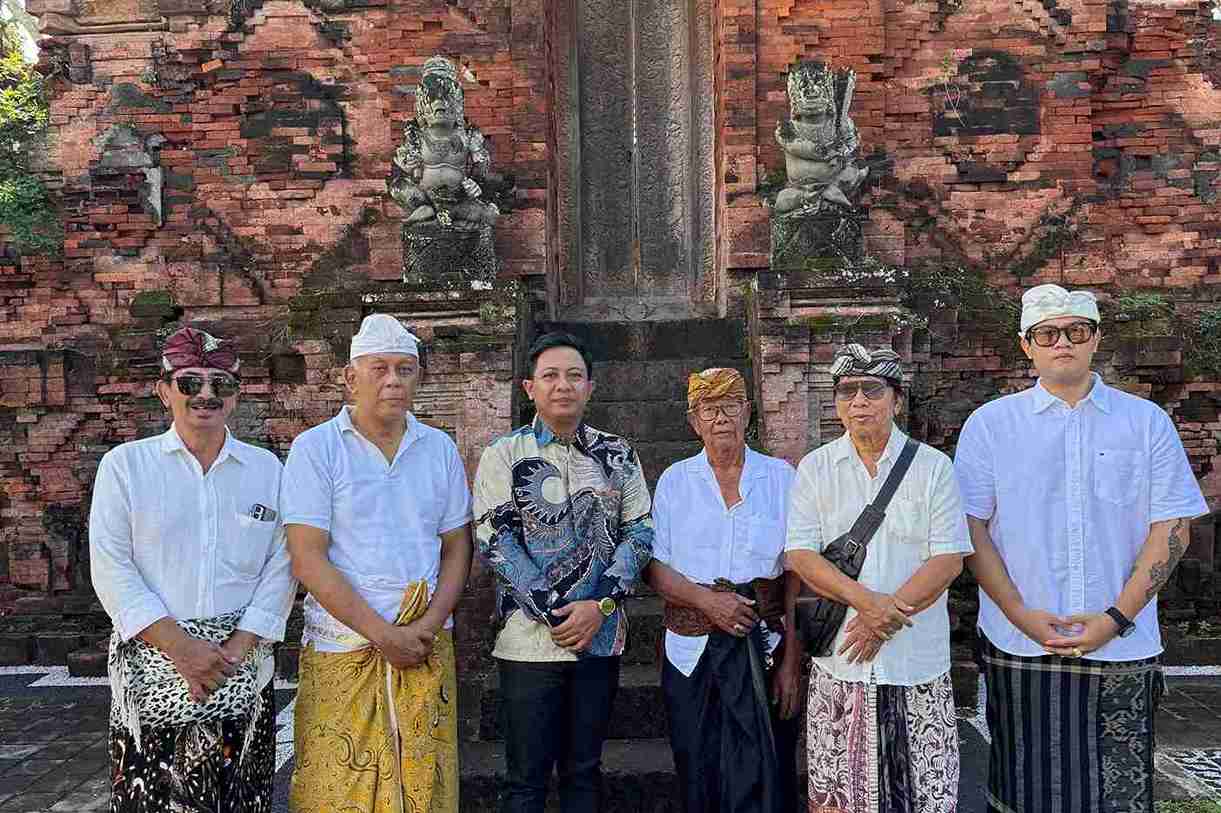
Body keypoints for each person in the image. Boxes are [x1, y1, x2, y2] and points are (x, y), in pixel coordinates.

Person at [954, 284, 1208, 813]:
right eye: (1048, 334)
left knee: (1118, 796)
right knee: (1023, 792)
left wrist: (1114, 618)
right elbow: (970, 531)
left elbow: (1173, 528)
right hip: (1019, 640)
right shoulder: (991, 425)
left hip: (1121, 641)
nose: (1062, 342)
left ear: (1095, 339)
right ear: (1027, 345)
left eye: (1076, 331)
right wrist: (1022, 615)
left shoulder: (1144, 422)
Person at [90, 326, 294, 812]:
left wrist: (234, 651)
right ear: (164, 390)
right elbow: (110, 565)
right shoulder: (126, 467)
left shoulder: (267, 471)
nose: (205, 395)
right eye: (189, 382)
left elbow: (283, 564)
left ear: (236, 394)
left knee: (243, 798)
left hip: (239, 666)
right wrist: (181, 649)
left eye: (220, 383)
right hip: (152, 662)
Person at [283, 314, 473, 813]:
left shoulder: (438, 449)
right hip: (343, 646)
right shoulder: (316, 449)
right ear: (350, 377)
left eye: (405, 369)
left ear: (419, 378)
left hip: (425, 643)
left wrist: (429, 624)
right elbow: (307, 557)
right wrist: (382, 634)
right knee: (337, 788)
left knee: (423, 787)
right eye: (379, 368)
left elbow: (457, 546)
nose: (393, 380)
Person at [472, 331, 654, 813]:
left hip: (601, 637)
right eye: (550, 375)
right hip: (527, 644)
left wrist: (602, 606)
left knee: (584, 773)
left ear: (590, 387)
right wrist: (557, 615)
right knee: (525, 781)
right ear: (529, 387)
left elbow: (639, 534)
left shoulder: (619, 455)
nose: (563, 385)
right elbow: (496, 540)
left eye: (574, 376)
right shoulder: (503, 455)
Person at [785, 344, 971, 813]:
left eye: (872, 389)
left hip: (916, 664)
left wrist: (880, 620)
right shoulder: (816, 468)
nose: (859, 401)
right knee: (841, 794)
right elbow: (801, 555)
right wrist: (867, 604)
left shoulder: (933, 468)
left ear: (897, 399)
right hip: (841, 663)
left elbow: (948, 560)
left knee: (924, 794)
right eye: (847, 391)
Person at [647, 367, 801, 813]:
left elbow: (797, 572)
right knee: (698, 769)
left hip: (765, 650)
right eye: (709, 409)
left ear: (748, 413)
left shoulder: (780, 478)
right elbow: (654, 569)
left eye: (730, 407)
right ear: (693, 420)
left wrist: (792, 661)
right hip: (690, 651)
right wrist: (706, 601)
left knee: (767, 770)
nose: (721, 419)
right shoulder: (676, 481)